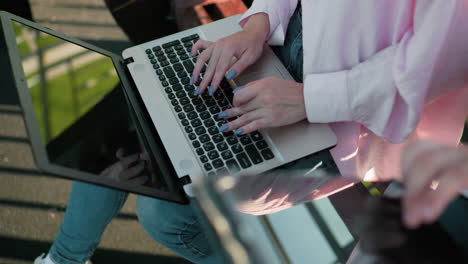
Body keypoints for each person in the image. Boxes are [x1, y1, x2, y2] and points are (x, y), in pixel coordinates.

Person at [36, 1, 468, 263]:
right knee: (133, 96)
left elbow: (429, 66)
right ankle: (64, 258)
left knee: (164, 212)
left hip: (352, 123)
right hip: (271, 54)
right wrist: (258, 21)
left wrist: (306, 99)